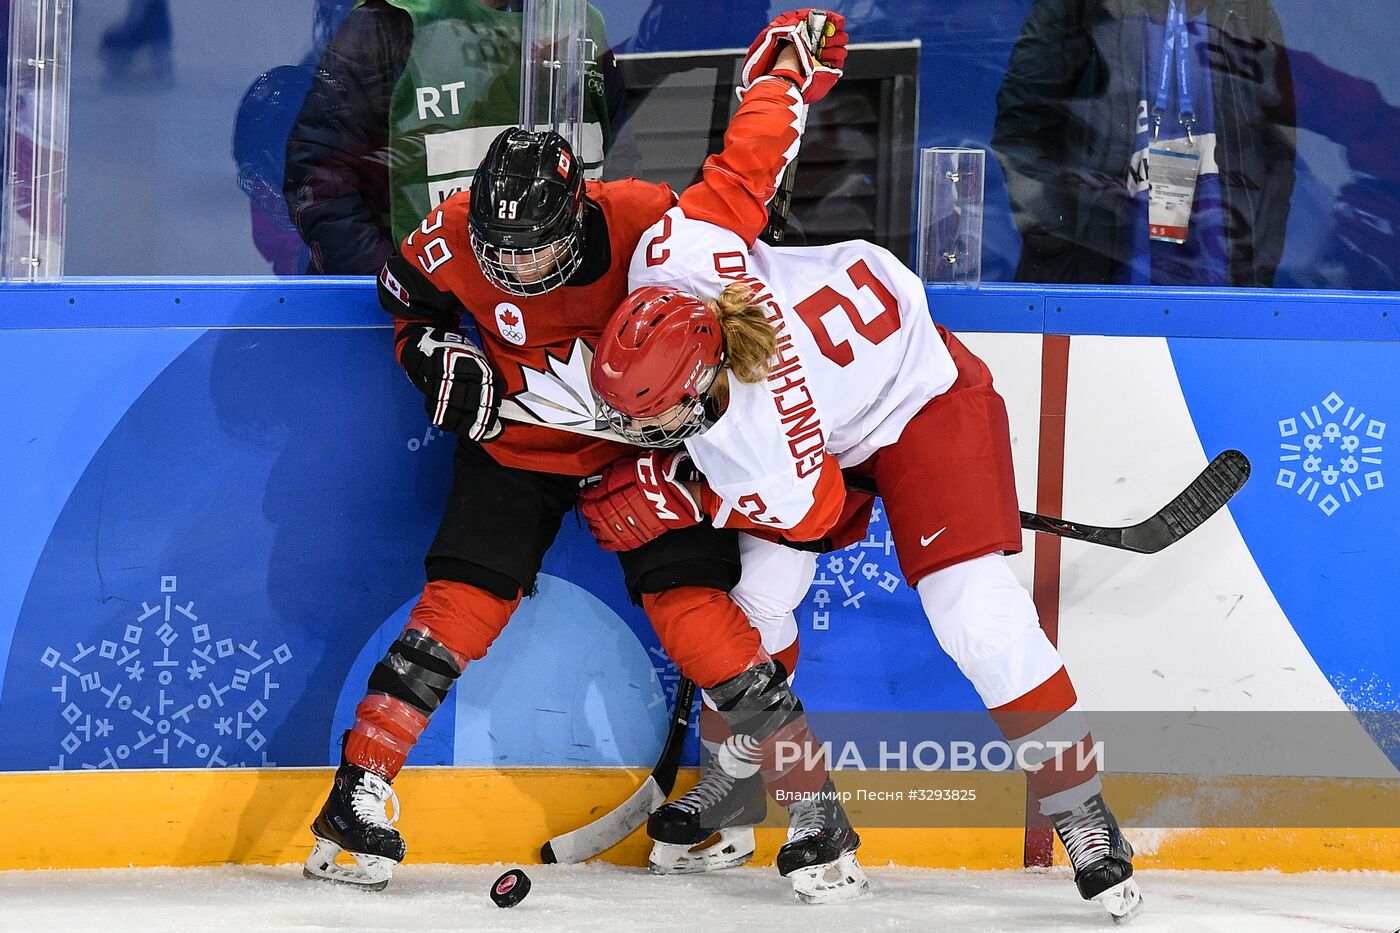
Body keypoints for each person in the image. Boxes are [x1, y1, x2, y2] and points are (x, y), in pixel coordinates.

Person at [303, 10, 867, 904]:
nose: (519, 273)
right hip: (517, 444)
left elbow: (743, 178)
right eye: (504, 257)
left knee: (697, 612)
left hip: (636, 450)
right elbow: (400, 295)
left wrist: (789, 74)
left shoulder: (648, 224)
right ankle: (357, 792)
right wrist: (426, 353)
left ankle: (813, 805)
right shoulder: (450, 232)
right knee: (460, 603)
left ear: (579, 218)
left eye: (540, 256)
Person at [578, 70, 1142, 922]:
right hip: (839, 406)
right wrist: (778, 78)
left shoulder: (760, 445)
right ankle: (735, 786)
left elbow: (824, 509)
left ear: (704, 388)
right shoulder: (675, 256)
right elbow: (747, 169)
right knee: (754, 606)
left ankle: (1083, 809)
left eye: (661, 422)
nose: (646, 436)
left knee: (973, 610)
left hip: (923, 400)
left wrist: (677, 494)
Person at [282, 0, 627, 275]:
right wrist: (403, 291)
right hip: (435, 320)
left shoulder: (579, 24)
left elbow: (619, 167)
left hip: (564, 317)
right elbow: (320, 181)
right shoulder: (389, 23)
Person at [992, 0, 1295, 287]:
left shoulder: (1246, 9)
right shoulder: (1081, 7)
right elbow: (1020, 132)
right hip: (1095, 280)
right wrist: (1055, 235)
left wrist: (1258, 265)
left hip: (1221, 284)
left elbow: (1278, 153)